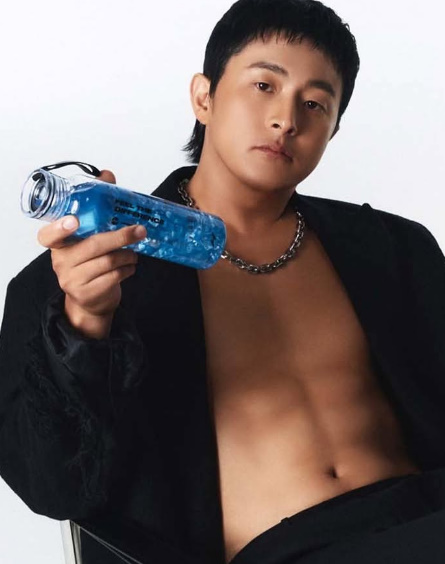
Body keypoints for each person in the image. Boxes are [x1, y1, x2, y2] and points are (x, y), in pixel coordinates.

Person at [1, 0, 445, 563]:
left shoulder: (393, 249)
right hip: (286, 549)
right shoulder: (73, 279)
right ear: (204, 97)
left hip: (425, 510)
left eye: (314, 103)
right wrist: (85, 325)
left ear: (333, 129)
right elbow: (55, 487)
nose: (286, 119)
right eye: (264, 86)